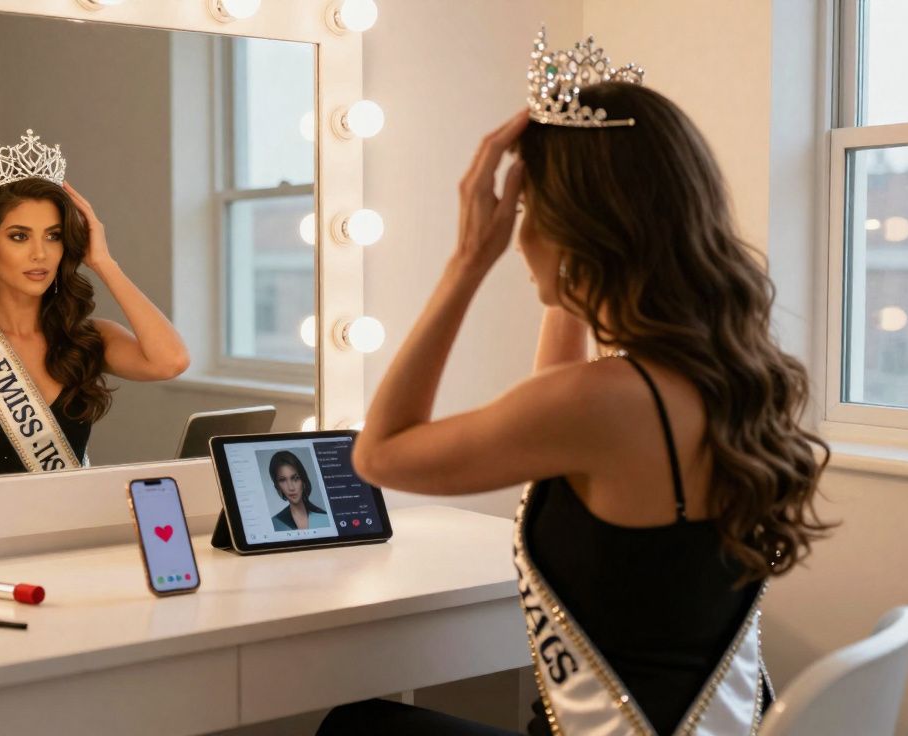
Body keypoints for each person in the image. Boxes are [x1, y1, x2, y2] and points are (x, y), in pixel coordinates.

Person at [321, 29, 830, 736]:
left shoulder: (601, 402)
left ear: (576, 232)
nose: (516, 234)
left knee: (357, 726)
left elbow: (379, 454)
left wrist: (467, 262)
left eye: (527, 214)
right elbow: (558, 399)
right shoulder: (727, 373)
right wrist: (571, 282)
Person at [0, 130, 189, 477]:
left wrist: (104, 263)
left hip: (73, 511)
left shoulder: (86, 337)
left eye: (54, 236)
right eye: (19, 236)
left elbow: (171, 361)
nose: (40, 253)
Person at [268, 450, 331, 531]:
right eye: (282, 480)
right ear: (277, 485)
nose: (291, 488)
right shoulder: (275, 524)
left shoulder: (326, 517)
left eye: (295, 478)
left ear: (303, 480)